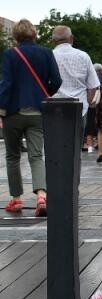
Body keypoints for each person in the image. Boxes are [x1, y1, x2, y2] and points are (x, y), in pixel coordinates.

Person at [0, 19, 62, 216]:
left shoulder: (10, 54)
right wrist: (44, 94)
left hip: (13, 112)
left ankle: (16, 199)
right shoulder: (46, 53)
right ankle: (41, 195)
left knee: (12, 156)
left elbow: (6, 83)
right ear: (34, 34)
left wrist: (1, 108)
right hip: (37, 110)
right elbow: (57, 80)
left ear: (16, 35)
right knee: (36, 155)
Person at [51, 25, 101, 120]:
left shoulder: (50, 56)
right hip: (79, 108)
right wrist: (88, 102)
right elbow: (93, 85)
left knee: (56, 135)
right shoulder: (83, 56)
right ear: (71, 38)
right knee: (77, 135)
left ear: (53, 41)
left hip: (55, 107)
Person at [82, 62, 102, 153]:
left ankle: (89, 146)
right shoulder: (101, 78)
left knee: (89, 124)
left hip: (90, 104)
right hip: (97, 104)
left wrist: (89, 101)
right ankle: (98, 143)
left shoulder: (89, 77)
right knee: (97, 124)